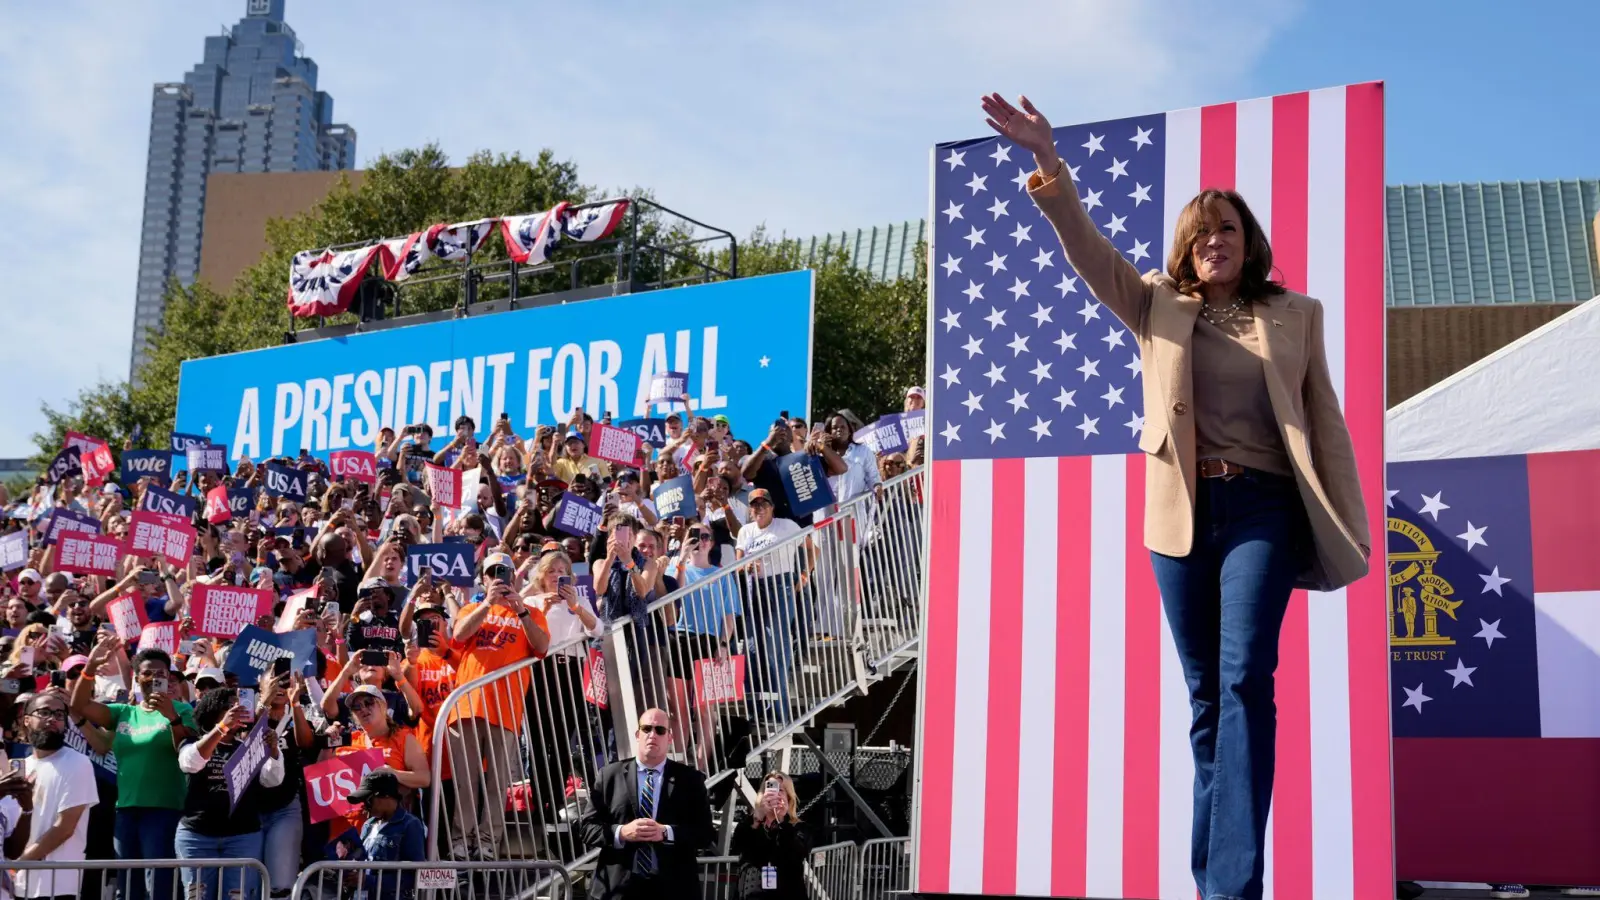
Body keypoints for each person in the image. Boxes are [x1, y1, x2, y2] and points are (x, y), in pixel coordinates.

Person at [983, 92, 1371, 900]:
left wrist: (1347, 518)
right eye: (1200, 233)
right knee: (1205, 701)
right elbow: (1088, 251)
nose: (1214, 241)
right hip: (1182, 516)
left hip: (1263, 509)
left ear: (1247, 241)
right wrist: (1046, 164)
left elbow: (1325, 418)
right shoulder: (1158, 305)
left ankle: (1232, 887)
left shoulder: (1296, 313)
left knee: (1242, 681)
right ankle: (1215, 881)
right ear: (1186, 252)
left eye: (1226, 228)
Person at [71, 639, 196, 900]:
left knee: (159, 887)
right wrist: (90, 666)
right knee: (128, 887)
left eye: (161, 673)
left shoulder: (182, 709)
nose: (154, 678)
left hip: (164, 810)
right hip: (126, 810)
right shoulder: (123, 713)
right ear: (137, 678)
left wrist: (171, 716)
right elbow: (80, 706)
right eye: (147, 673)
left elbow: (188, 748)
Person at [444, 552, 549, 861]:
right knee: (466, 782)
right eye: (492, 572)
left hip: (506, 709)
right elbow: (458, 636)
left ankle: (489, 841)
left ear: (515, 577)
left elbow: (542, 647)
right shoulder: (472, 608)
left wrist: (522, 612)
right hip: (467, 706)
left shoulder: (530, 612)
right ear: (484, 579)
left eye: (504, 572)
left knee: (497, 783)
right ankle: (461, 840)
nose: (498, 577)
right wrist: (489, 604)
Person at [580, 708, 713, 900]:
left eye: (660, 730)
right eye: (646, 728)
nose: (652, 735)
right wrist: (622, 833)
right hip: (618, 888)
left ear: (670, 737)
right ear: (637, 734)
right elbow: (587, 828)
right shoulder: (610, 775)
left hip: (673, 889)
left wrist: (666, 832)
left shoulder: (690, 780)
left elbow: (705, 833)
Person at [175, 686, 282, 900]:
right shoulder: (192, 743)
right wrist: (222, 727)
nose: (237, 709)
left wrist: (273, 751)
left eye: (240, 704)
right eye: (230, 706)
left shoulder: (247, 747)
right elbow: (190, 763)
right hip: (198, 837)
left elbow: (272, 780)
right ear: (214, 711)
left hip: (242, 837)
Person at [11, 691, 100, 900]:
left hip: (56, 886)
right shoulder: (23, 766)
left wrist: (17, 864)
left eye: (60, 715)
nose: (52, 719)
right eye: (44, 712)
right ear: (26, 720)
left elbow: (64, 828)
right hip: (18, 884)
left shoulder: (77, 763)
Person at [335, 771, 426, 900]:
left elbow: (414, 876)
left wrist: (369, 881)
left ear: (385, 795)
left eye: (368, 800)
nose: (364, 807)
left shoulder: (410, 825)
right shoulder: (368, 825)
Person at [730, 772, 810, 900]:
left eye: (781, 790)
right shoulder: (751, 824)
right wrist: (757, 820)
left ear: (788, 798)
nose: (775, 795)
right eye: (771, 790)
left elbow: (795, 855)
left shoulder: (798, 827)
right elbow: (738, 846)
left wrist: (781, 821)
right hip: (752, 893)